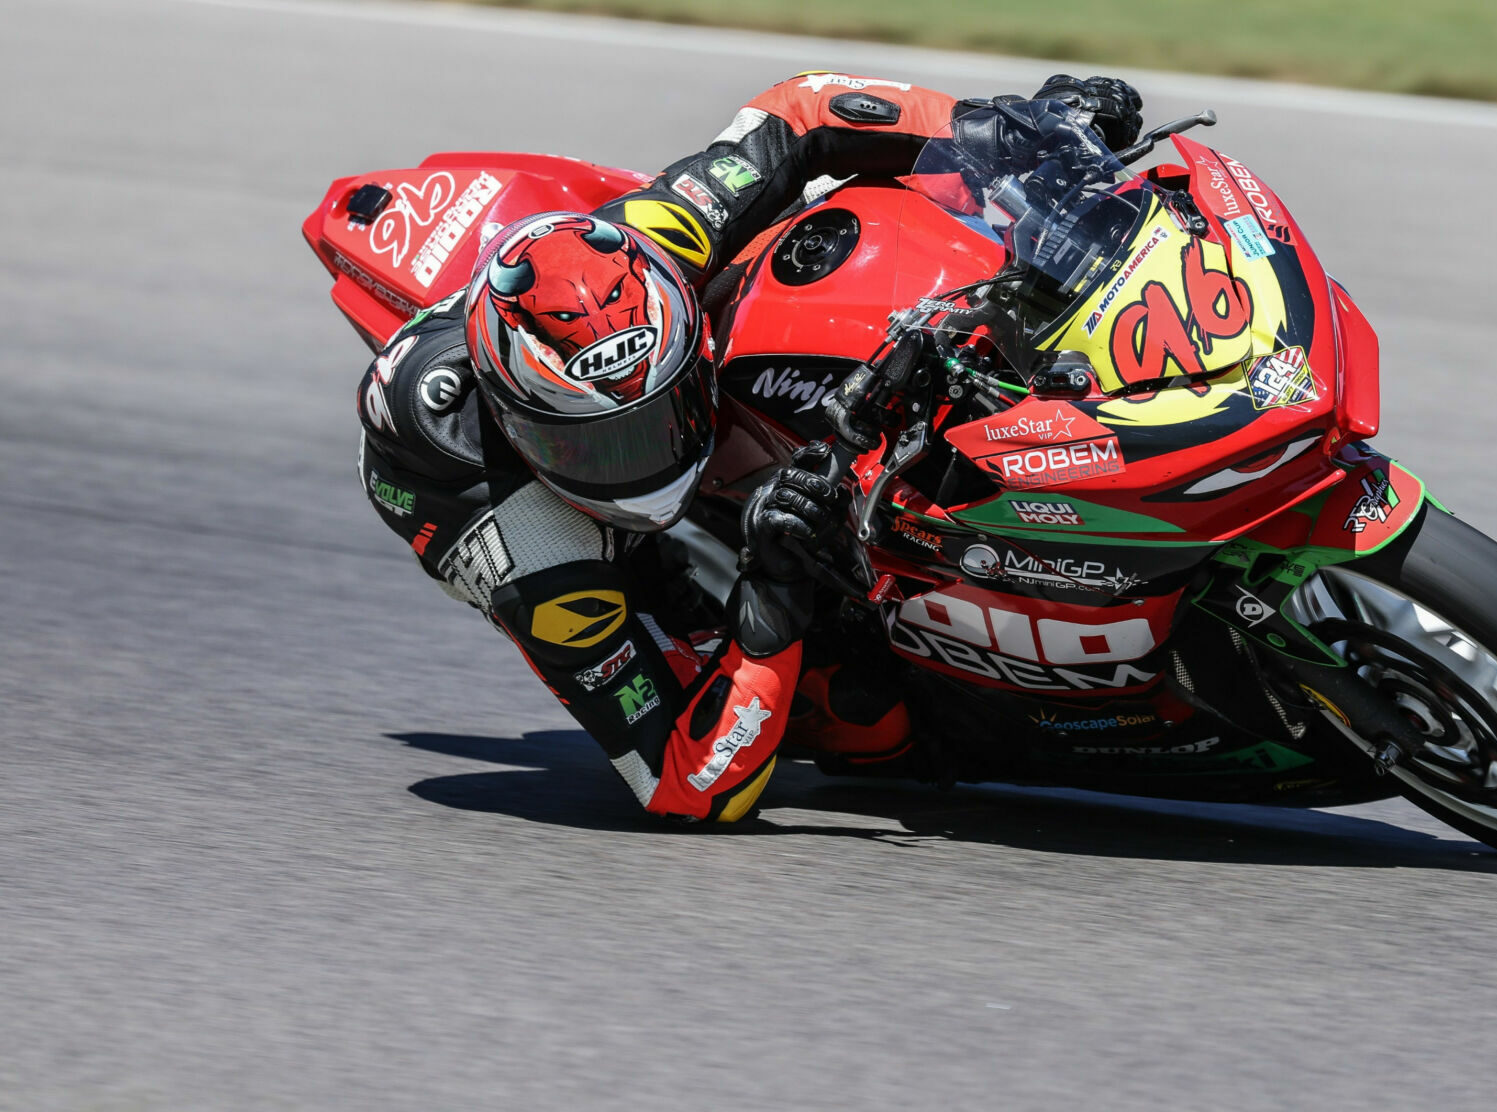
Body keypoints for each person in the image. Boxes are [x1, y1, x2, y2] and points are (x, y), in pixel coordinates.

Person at [354, 73, 1144, 822]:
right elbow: (686, 786)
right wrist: (774, 587)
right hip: (483, 501)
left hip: (604, 325)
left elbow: (804, 113)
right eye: (605, 447)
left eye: (655, 422)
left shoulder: (659, 241)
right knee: (855, 712)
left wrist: (1002, 133)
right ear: (522, 423)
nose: (643, 464)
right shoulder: (522, 540)